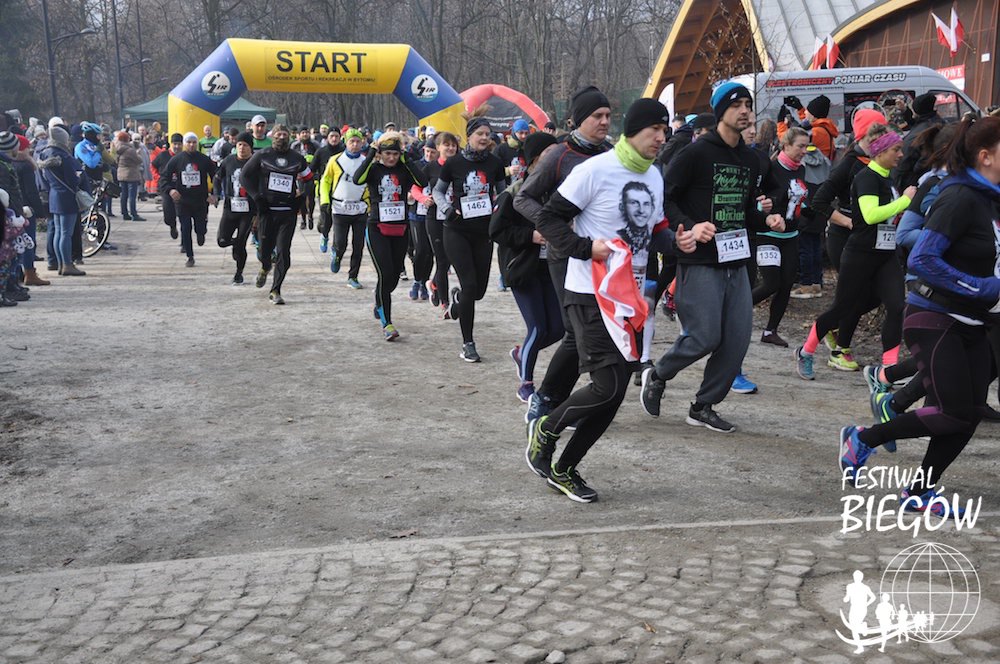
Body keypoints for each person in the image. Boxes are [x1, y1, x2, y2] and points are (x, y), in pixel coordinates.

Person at [524, 98, 697, 502]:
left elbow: (654, 232)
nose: (662, 137)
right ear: (633, 131)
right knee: (607, 386)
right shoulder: (594, 170)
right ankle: (546, 429)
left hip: (627, 298)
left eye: (665, 130)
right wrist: (585, 248)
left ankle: (564, 468)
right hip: (588, 291)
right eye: (655, 130)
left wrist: (678, 241)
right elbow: (548, 217)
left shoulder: (654, 175)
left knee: (614, 393)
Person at [838, 116, 1000, 515]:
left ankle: (920, 492)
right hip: (935, 316)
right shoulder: (959, 196)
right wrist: (980, 288)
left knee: (969, 415)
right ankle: (862, 438)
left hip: (974, 322)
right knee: (952, 412)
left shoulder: (989, 199)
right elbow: (923, 258)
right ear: (986, 156)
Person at [639, 82, 784, 432]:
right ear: (720, 112)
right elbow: (665, 199)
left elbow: (744, 211)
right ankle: (657, 375)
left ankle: (703, 406)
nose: (745, 111)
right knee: (704, 337)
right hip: (700, 260)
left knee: (736, 340)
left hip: (738, 259)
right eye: (736, 105)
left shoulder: (751, 159)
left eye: (748, 104)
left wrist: (766, 218)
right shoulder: (696, 153)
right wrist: (691, 227)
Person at [514, 85, 613, 421]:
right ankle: (546, 399)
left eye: (608, 116)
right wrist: (552, 226)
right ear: (578, 120)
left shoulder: (610, 154)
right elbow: (522, 198)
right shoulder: (559, 155)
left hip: (600, 253)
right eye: (597, 116)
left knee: (598, 328)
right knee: (574, 330)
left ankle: (575, 398)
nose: (604, 122)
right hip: (564, 254)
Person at [795, 123, 914, 379]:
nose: (901, 154)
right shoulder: (866, 177)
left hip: (885, 253)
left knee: (896, 306)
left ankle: (888, 369)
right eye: (896, 149)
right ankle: (806, 351)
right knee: (842, 308)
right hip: (860, 253)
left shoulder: (887, 177)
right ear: (881, 151)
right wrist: (905, 200)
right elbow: (871, 215)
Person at [490, 131, 562, 402]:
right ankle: (526, 383)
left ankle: (522, 353)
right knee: (538, 328)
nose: (556, 159)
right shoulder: (514, 193)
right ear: (533, 160)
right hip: (522, 268)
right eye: (549, 154)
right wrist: (530, 236)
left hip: (551, 267)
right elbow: (496, 231)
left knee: (559, 328)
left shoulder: (561, 191)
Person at [433, 113, 507, 361]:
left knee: (478, 292)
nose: (484, 138)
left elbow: (502, 193)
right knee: (470, 284)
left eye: (487, 134)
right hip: (456, 230)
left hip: (483, 232)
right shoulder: (454, 163)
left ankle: (458, 300)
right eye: (480, 134)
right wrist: (446, 210)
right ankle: (468, 343)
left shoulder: (495, 163)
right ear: (469, 136)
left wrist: (499, 210)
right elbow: (438, 192)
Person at [353, 132, 426, 337]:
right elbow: (358, 179)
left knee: (393, 277)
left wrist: (407, 158)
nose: (391, 158)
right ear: (381, 154)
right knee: (385, 274)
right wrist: (370, 154)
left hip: (400, 228)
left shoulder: (404, 170)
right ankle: (387, 324)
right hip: (377, 228)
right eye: (387, 154)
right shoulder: (374, 169)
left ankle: (379, 300)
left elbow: (422, 181)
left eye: (395, 154)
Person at [240, 124, 311, 304]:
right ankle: (265, 267)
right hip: (267, 211)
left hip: (287, 212)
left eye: (284, 134)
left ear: (289, 137)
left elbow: (309, 179)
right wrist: (257, 197)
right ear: (273, 136)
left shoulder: (297, 158)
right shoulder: (262, 155)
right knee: (264, 252)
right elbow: (244, 176)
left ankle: (275, 290)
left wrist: (302, 196)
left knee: (283, 252)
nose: (281, 137)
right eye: (278, 134)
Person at [753, 127, 810, 347]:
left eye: (806, 147)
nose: (804, 151)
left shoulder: (800, 169)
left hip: (791, 235)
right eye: (800, 146)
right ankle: (730, 313)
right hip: (767, 234)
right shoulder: (771, 168)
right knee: (771, 284)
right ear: (786, 145)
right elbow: (757, 199)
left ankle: (770, 331)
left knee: (786, 285)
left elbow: (798, 199)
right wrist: (766, 210)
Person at [160, 132, 218, 268]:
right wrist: (170, 190)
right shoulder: (177, 159)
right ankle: (190, 256)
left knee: (200, 228)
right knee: (185, 228)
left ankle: (201, 233)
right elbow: (164, 177)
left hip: (200, 200)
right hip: (183, 201)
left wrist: (214, 194)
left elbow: (216, 176)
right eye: (189, 142)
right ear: (184, 144)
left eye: (194, 142)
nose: (191, 145)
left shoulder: (204, 159)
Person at [37, 126, 85, 276]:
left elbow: (43, 178)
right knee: (66, 233)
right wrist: (79, 178)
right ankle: (67, 264)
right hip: (67, 197)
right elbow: (72, 180)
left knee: (58, 232)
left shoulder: (43, 154)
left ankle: (60, 263)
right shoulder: (64, 157)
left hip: (54, 195)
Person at [423, 132, 459, 316]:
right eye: (447, 145)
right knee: (442, 261)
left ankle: (434, 283)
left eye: (453, 145)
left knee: (452, 258)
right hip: (435, 218)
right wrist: (422, 198)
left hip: (457, 218)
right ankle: (445, 303)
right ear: (438, 147)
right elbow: (414, 186)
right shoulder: (430, 167)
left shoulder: (461, 165)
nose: (451, 148)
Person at [214, 132, 256, 284]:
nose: (242, 148)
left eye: (245, 145)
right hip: (230, 208)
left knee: (241, 244)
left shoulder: (255, 163)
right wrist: (216, 194)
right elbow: (217, 178)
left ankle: (239, 273)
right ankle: (235, 243)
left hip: (248, 211)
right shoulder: (229, 161)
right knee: (222, 241)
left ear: (250, 148)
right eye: (239, 145)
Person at [406, 140, 437, 301]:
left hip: (433, 213)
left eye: (433, 152)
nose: (429, 155)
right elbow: (407, 183)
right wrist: (411, 194)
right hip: (416, 213)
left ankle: (425, 282)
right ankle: (417, 281)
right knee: (421, 250)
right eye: (427, 151)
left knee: (430, 251)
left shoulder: (440, 167)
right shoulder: (417, 165)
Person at [152, 133, 184, 239]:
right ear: (171, 144)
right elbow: (153, 166)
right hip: (166, 187)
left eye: (179, 144)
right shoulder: (163, 155)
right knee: (168, 213)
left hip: (181, 188)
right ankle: (172, 226)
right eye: (175, 144)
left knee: (183, 214)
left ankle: (184, 240)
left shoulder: (184, 156)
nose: (177, 147)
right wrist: (158, 178)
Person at [113, 131, 145, 221]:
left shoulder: (116, 149)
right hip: (131, 174)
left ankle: (124, 213)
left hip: (121, 174)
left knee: (123, 195)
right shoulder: (130, 150)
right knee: (132, 196)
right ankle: (134, 214)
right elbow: (139, 160)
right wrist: (138, 153)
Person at [291, 127, 318, 229]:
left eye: (306, 132)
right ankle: (303, 219)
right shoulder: (295, 145)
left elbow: (318, 157)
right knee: (302, 197)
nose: (305, 135)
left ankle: (310, 215)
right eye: (302, 133)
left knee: (311, 198)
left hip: (311, 174)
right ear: (299, 134)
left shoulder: (315, 145)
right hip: (299, 175)